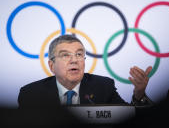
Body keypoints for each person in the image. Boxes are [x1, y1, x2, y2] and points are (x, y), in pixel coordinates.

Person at [17, 34, 153, 126]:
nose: (74, 60)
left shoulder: (103, 86)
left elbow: (128, 119)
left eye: (79, 54)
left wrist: (139, 95)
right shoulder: (31, 94)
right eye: (65, 55)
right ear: (52, 66)